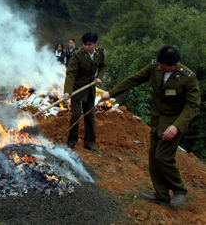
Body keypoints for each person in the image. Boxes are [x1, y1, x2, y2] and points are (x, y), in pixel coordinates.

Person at [100, 46, 200, 207]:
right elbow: (135, 79)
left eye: (163, 67)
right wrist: (111, 93)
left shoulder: (187, 77)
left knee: (163, 157)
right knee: (153, 159)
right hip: (157, 120)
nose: (159, 69)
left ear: (174, 66)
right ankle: (161, 195)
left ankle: (179, 189)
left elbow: (193, 105)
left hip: (174, 123)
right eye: (159, 65)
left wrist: (176, 126)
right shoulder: (155, 67)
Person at [63, 32, 106, 151]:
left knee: (89, 116)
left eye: (90, 44)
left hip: (90, 89)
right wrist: (67, 91)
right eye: (85, 44)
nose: (87, 47)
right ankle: (71, 141)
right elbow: (71, 73)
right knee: (76, 115)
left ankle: (89, 143)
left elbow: (103, 66)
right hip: (77, 89)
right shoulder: (78, 55)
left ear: (95, 43)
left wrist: (99, 76)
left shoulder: (99, 53)